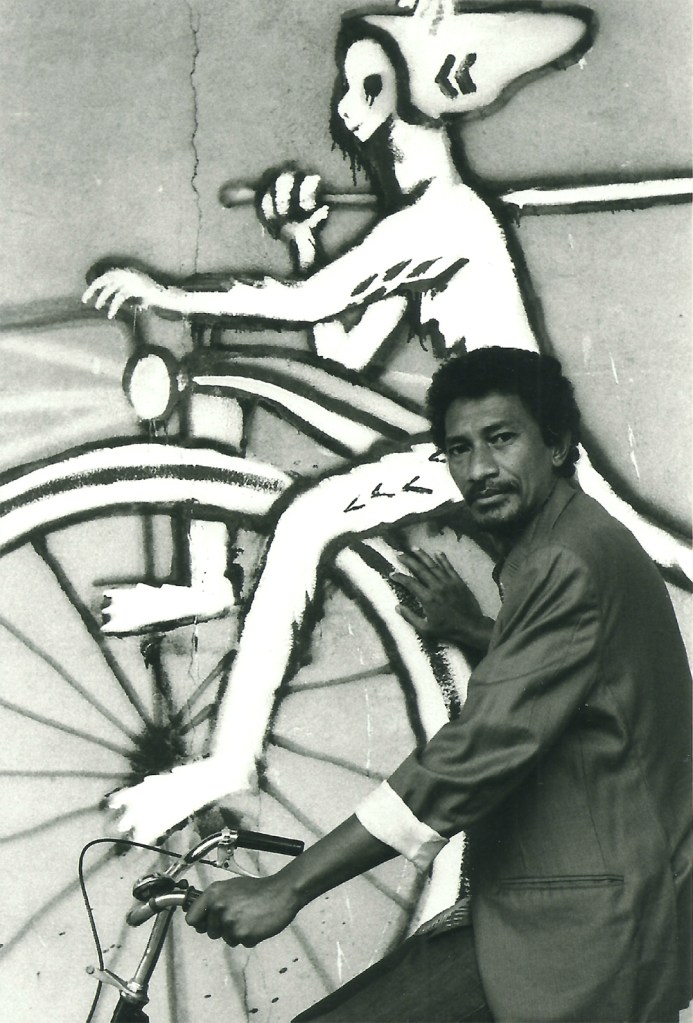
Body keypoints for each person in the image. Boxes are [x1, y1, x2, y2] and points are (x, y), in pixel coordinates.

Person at [81, 4, 691, 846]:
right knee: (227, 383)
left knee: (306, 515)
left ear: (417, 97)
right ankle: (210, 587)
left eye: (368, 87)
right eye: (347, 87)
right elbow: (343, 351)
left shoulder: (444, 219)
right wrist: (304, 236)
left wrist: (167, 292)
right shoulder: (416, 224)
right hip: (472, 446)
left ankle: (229, 757)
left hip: (500, 449)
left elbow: (306, 305)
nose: (346, 107)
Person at [184, 348, 693, 1023]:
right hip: (585, 901)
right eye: (458, 448)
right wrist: (478, 631)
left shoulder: (564, 560)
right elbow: (575, 679)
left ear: (557, 443)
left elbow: (474, 752)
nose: (478, 469)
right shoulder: (573, 539)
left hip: (584, 926)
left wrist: (290, 885)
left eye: (501, 438)